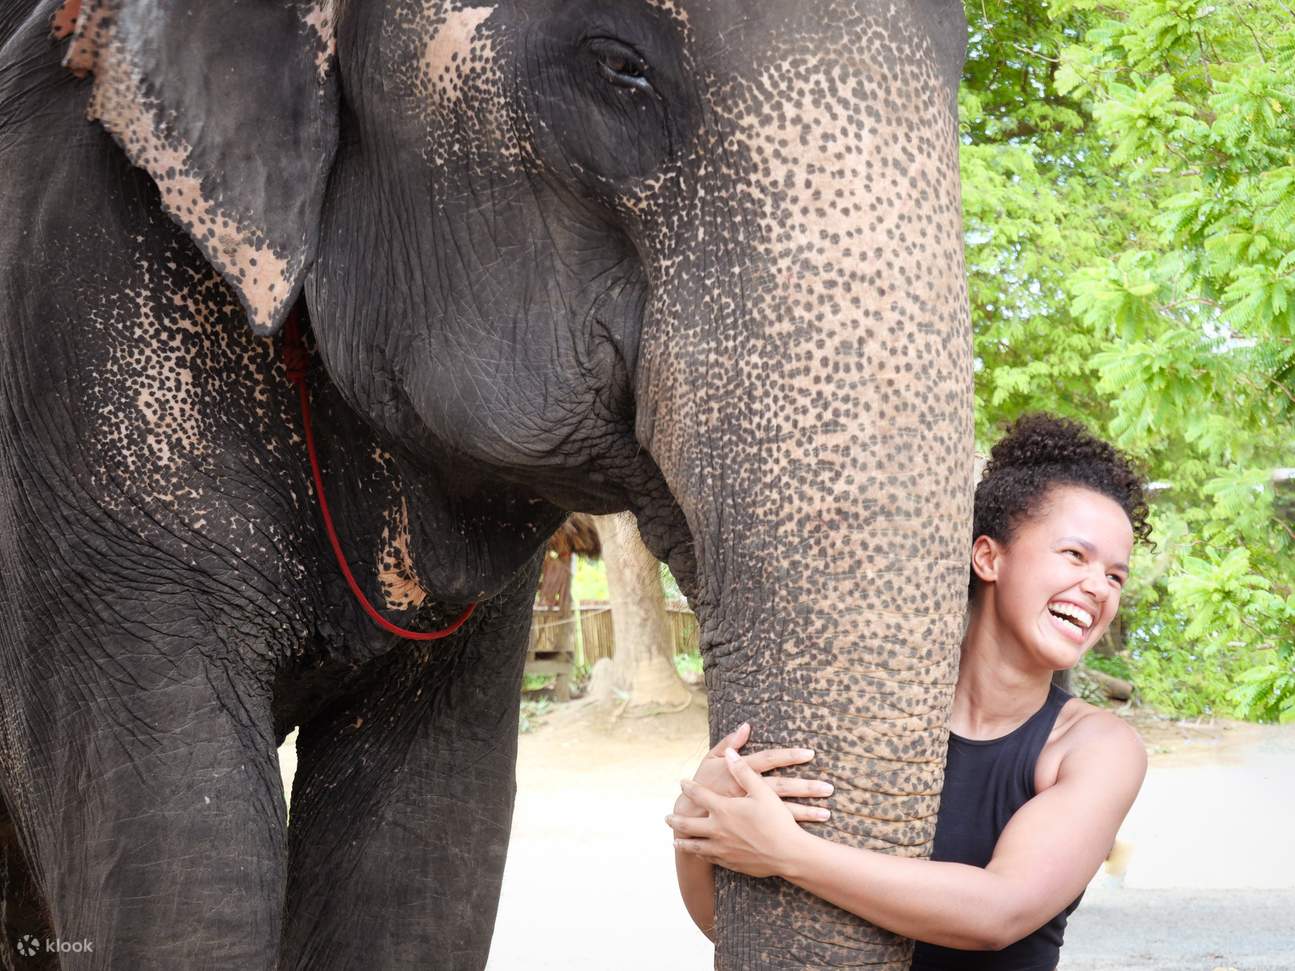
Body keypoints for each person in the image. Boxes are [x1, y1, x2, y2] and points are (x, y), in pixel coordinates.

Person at [668, 413, 1151, 968]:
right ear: (989, 558)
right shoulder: (868, 717)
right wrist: (697, 823)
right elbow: (743, 930)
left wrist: (786, 852)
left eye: (1116, 575)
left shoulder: (1099, 748)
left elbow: (1000, 912)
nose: (1098, 587)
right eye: (1075, 555)